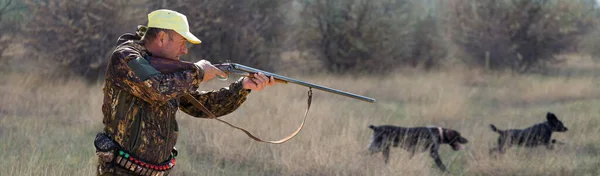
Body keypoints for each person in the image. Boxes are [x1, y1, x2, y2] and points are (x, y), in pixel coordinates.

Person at [95, 9, 275, 176]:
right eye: (182, 42)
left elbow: (202, 106)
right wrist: (198, 72)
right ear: (162, 38)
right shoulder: (126, 57)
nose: (185, 50)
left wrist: (243, 86)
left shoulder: (169, 71)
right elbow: (159, 89)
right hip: (120, 171)